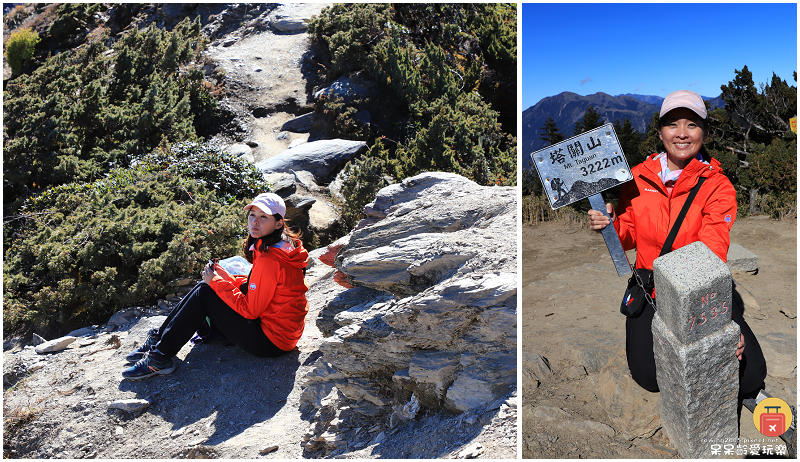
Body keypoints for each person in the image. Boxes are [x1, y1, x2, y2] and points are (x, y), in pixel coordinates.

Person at [587, 90, 767, 398]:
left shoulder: (716, 185)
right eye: (672, 124)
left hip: (697, 289)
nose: (681, 133)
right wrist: (611, 225)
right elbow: (629, 233)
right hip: (650, 285)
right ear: (659, 132)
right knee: (650, 377)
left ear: (705, 133)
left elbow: (711, 251)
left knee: (751, 375)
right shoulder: (636, 178)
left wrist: (714, 324)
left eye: (692, 125)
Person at [122, 193, 309, 380]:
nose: (255, 222)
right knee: (206, 286)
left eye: (263, 217)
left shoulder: (270, 258)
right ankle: (159, 339)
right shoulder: (279, 245)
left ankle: (159, 358)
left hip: (271, 341)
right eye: (252, 215)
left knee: (205, 291)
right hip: (281, 331)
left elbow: (250, 310)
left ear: (278, 223)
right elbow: (260, 288)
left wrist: (217, 282)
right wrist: (225, 278)